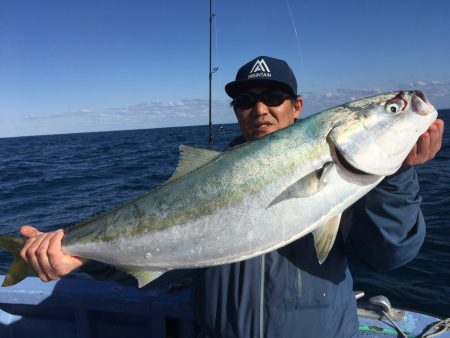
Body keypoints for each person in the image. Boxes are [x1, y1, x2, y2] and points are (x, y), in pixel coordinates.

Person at [19, 56, 444, 337]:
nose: (260, 109)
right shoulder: (205, 176)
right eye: (246, 101)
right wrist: (82, 257)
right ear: (237, 111)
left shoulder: (357, 183)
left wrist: (398, 176)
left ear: (297, 107)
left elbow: (390, 256)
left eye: (274, 98)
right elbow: (161, 258)